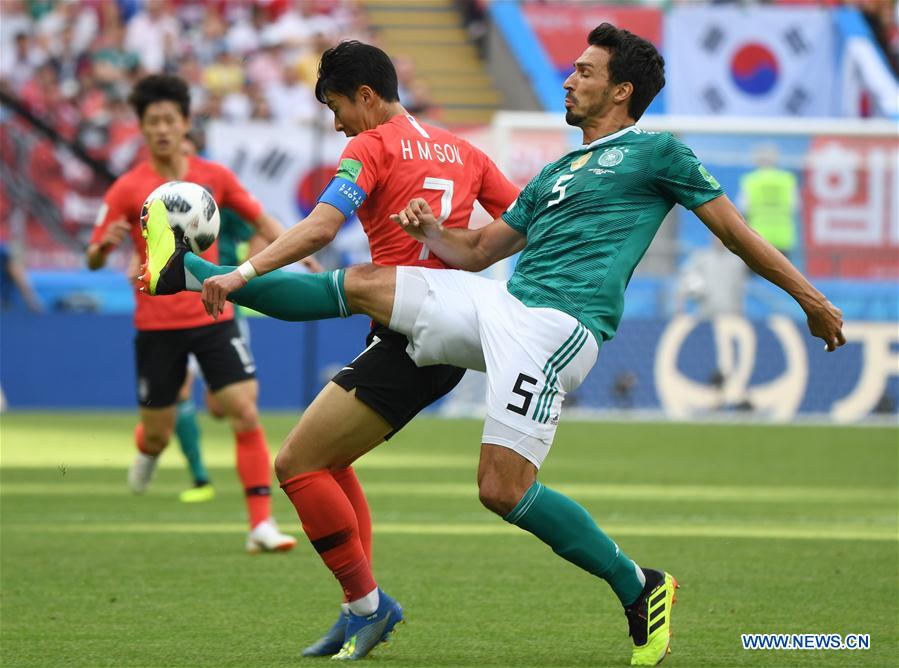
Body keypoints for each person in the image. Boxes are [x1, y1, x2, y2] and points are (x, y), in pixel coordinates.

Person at [141, 26, 846, 666]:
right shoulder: (552, 175)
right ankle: (183, 268)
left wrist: (810, 300)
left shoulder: (656, 152)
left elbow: (731, 230)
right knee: (363, 282)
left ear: (620, 90)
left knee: (499, 490)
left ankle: (640, 586)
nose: (568, 80)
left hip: (556, 330)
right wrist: (429, 235)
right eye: (570, 69)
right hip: (502, 303)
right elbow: (477, 250)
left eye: (584, 72)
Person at [146, 40, 518, 660]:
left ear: (366, 97)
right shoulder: (466, 150)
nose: (336, 122)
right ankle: (357, 608)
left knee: (295, 465)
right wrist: (454, 248)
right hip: (443, 330)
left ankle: (370, 606)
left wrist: (240, 273)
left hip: (410, 336)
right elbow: (516, 223)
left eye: (337, 106)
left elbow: (322, 226)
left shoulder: (371, 144)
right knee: (332, 461)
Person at [87, 73, 298, 553]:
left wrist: (297, 250)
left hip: (213, 313)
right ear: (141, 128)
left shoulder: (214, 178)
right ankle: (148, 449)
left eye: (170, 119)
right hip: (157, 324)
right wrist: (104, 248)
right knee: (160, 434)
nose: (161, 128)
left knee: (244, 410)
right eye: (152, 121)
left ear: (185, 123)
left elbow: (262, 219)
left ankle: (260, 525)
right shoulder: (127, 188)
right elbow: (92, 256)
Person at [738, 143, 799, 262]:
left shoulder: (750, 180)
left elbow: (744, 208)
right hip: (783, 237)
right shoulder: (787, 179)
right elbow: (794, 206)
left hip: (758, 237)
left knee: (755, 276)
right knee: (782, 277)